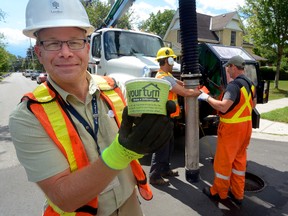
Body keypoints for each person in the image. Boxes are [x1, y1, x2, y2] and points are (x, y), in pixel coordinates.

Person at [8, 0, 174, 215]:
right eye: (53, 44)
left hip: (130, 205)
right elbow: (63, 198)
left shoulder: (115, 88)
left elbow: (140, 133)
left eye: (75, 42)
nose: (66, 52)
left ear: (87, 48)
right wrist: (122, 152)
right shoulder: (27, 117)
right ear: (39, 52)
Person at [199, 55, 257, 205]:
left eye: (228, 66)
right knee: (239, 162)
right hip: (245, 128)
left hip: (232, 129)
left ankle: (219, 193)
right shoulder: (250, 84)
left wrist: (205, 97)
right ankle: (238, 194)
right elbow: (253, 105)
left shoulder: (234, 86)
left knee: (223, 164)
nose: (227, 69)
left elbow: (223, 106)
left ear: (234, 67)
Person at [149, 47, 201, 186]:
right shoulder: (163, 78)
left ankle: (165, 169)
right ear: (168, 60)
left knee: (169, 145)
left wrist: (192, 84)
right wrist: (197, 93)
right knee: (162, 147)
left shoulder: (167, 75)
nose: (173, 63)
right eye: (172, 59)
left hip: (168, 117)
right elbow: (183, 92)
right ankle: (154, 176)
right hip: (161, 118)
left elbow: (181, 84)